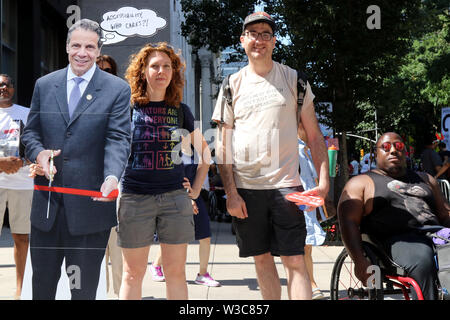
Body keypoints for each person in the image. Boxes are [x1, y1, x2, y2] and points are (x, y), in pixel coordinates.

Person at [212, 11, 329, 300]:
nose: (259, 40)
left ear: (274, 41)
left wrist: (325, 182)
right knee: (262, 260)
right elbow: (223, 145)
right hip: (247, 190)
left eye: (266, 34)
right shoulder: (231, 85)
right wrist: (231, 193)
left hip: (287, 187)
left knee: (295, 260)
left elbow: (314, 136)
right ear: (242, 41)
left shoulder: (294, 80)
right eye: (253, 34)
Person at [22, 19, 131, 300]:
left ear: (98, 50)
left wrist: (111, 177)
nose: (82, 53)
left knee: (82, 291)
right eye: (76, 45)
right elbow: (31, 133)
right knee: (42, 290)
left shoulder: (116, 89)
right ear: (67, 47)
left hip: (90, 212)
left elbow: (118, 140)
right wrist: (39, 153)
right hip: (46, 210)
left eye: (90, 47)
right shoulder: (45, 85)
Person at [117, 42, 210, 300]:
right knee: (132, 274)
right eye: (154, 66)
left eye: (167, 66)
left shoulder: (181, 111)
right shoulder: (128, 108)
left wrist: (194, 193)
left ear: (174, 72)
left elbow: (206, 156)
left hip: (174, 200)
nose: (161, 71)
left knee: (175, 273)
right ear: (143, 71)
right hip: (134, 198)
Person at [338, 132, 450, 300]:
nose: (393, 150)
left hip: (436, 233)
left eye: (398, 146)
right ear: (376, 153)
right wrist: (359, 260)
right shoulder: (362, 183)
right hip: (396, 240)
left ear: (405, 152)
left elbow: (444, 213)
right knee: (423, 258)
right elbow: (348, 222)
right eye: (385, 147)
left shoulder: (426, 179)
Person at [0, 74, 33, 299]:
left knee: (21, 238)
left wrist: (23, 160)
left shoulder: (26, 113)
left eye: (6, 84)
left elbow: (37, 144)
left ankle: (21, 289)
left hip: (23, 184)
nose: (2, 88)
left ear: (13, 88)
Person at [95, 54, 123, 297]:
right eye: (98, 69)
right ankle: (100, 293)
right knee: (94, 246)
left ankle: (120, 293)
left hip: (118, 182)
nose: (102, 73)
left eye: (108, 70)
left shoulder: (122, 101)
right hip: (88, 182)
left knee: (118, 245)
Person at [297, 122, 326, 300]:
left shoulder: (304, 148)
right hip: (297, 201)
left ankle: (309, 283)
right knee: (302, 247)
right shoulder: (293, 146)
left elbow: (312, 180)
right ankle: (309, 284)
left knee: (306, 247)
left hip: (307, 202)